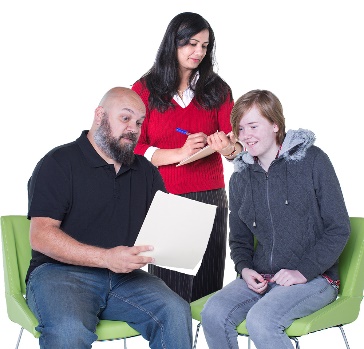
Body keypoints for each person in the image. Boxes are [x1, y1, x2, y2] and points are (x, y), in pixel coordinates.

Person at [25, 87, 192, 349]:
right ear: (100, 115)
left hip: (125, 278)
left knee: (175, 311)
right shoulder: (59, 162)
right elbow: (41, 236)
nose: (133, 129)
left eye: (139, 122)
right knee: (69, 331)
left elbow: (166, 226)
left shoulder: (145, 171)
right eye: (125, 119)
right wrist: (105, 258)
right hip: (60, 274)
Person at [201, 89, 350, 349]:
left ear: (275, 124)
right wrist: (245, 270)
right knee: (213, 313)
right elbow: (239, 240)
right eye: (240, 128)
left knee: (262, 320)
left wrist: (302, 272)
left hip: (314, 278)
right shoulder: (241, 178)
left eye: (253, 125)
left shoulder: (313, 161)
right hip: (262, 278)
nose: (246, 135)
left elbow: (338, 228)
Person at [132, 12, 241, 303]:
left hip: (211, 196)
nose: (198, 52)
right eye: (191, 44)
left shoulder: (217, 89)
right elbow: (133, 147)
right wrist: (180, 153)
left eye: (205, 46)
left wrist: (226, 147)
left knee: (207, 292)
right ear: (173, 43)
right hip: (166, 198)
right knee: (167, 294)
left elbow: (238, 142)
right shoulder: (143, 90)